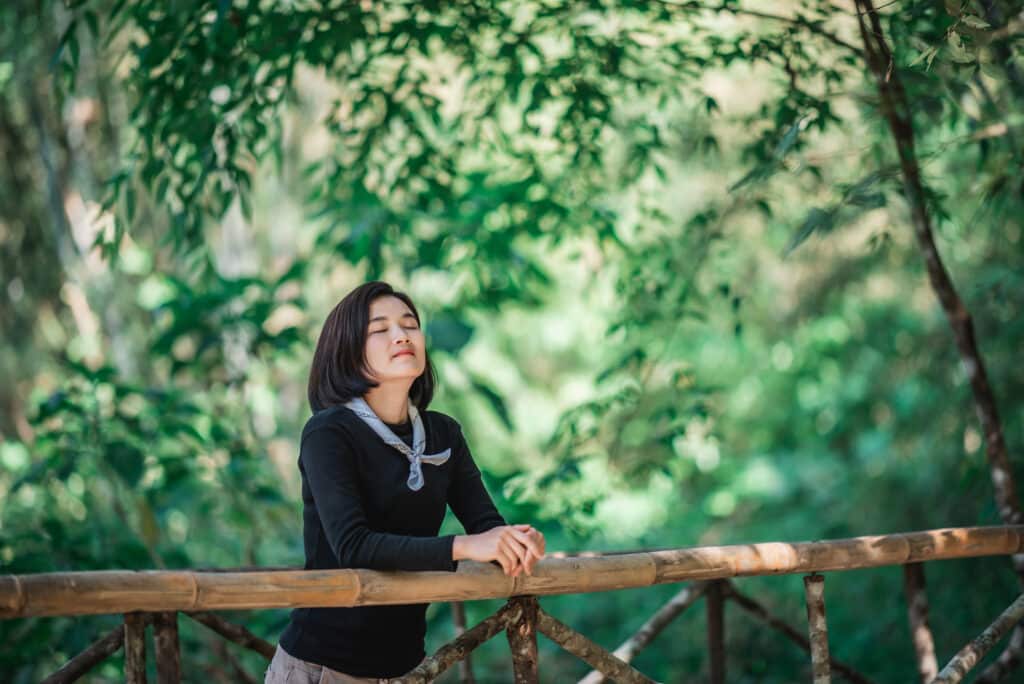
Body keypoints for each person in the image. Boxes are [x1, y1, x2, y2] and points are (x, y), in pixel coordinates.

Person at [266, 281, 546, 683]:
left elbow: (485, 525)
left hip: (406, 667)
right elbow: (353, 545)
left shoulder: (443, 433)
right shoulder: (328, 432)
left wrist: (516, 541)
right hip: (321, 667)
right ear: (348, 351)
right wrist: (466, 546)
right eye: (380, 330)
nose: (401, 336)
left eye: (410, 324)